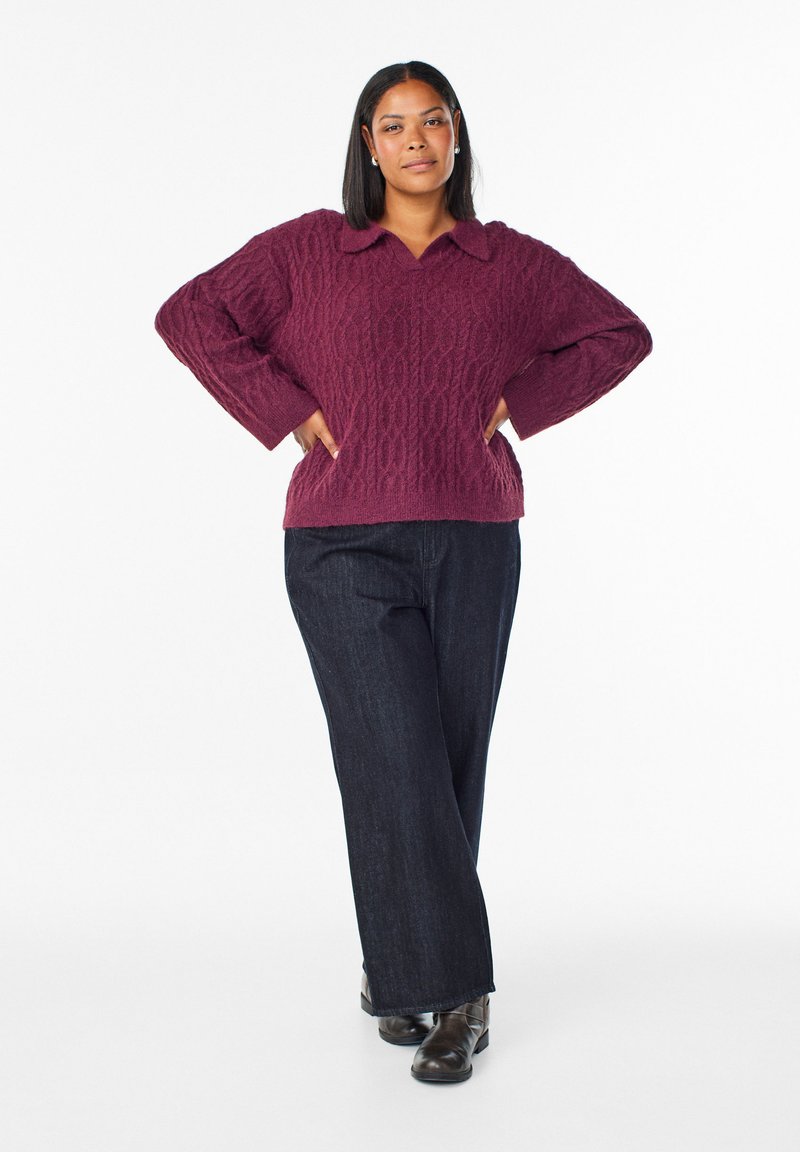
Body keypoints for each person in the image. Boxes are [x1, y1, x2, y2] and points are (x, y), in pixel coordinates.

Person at [154, 59, 653, 1085]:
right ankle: (459, 996)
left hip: (474, 534)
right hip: (340, 541)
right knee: (392, 755)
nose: (416, 139)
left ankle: (398, 968)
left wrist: (521, 402)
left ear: (456, 135)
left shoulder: (508, 263)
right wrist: (288, 411)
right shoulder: (308, 250)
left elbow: (619, 335)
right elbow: (192, 314)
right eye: (394, 124)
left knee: (447, 760)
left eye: (433, 120)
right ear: (368, 145)